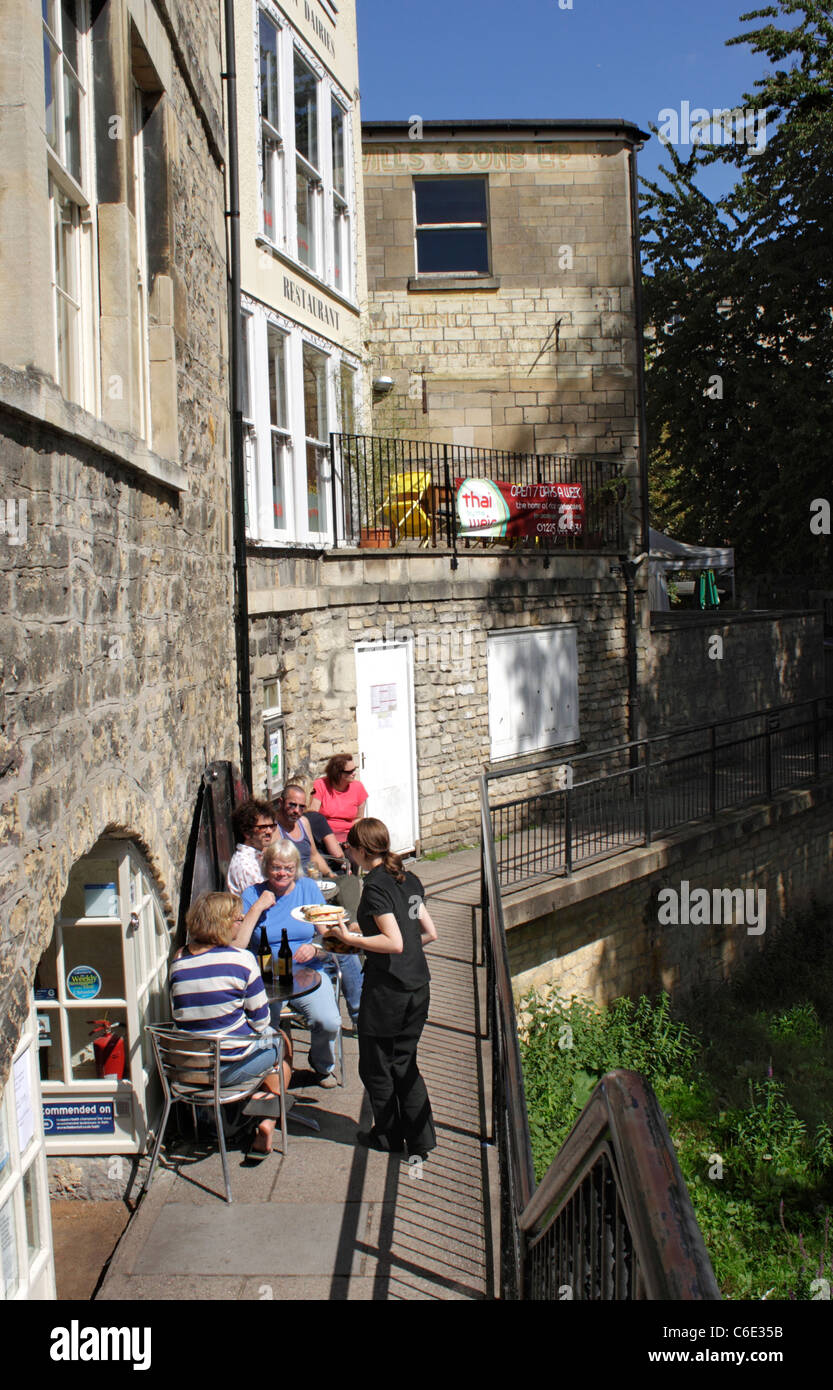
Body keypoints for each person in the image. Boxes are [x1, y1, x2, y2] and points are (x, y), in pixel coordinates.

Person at [327, 818, 437, 1160]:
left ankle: (388, 1136)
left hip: (390, 992)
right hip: (418, 985)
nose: (347, 852)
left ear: (361, 850)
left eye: (349, 847)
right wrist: (368, 929)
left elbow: (394, 941)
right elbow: (428, 932)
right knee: (404, 1062)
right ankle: (420, 1140)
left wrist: (349, 937)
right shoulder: (409, 878)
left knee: (376, 1065)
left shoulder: (374, 887)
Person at [169, 892, 292, 1157]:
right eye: (239, 919)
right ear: (223, 924)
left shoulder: (178, 963)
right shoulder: (241, 960)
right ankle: (266, 1117)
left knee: (264, 1043)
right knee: (280, 1046)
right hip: (223, 1070)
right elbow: (261, 1021)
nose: (241, 923)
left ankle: (246, 1114)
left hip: (185, 1070)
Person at [235, 840, 361, 1078]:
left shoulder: (308, 889)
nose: (282, 873)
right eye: (276, 867)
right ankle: (269, 1077)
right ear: (266, 867)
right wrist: (257, 908)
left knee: (329, 1022)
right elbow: (240, 944)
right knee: (263, 1028)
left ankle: (323, 1065)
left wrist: (315, 949)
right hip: (266, 976)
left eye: (288, 868)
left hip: (307, 972)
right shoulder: (252, 894)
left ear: (296, 868)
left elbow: (329, 938)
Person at [273, 782, 335, 878]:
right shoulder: (274, 828)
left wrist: (329, 874)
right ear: (281, 803)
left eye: (302, 807)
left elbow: (314, 855)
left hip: (310, 880)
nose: (297, 811)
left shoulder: (304, 822)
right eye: (292, 805)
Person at [310, 754, 369, 850]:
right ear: (337, 773)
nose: (353, 774)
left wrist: (349, 839)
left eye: (354, 770)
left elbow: (359, 818)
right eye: (349, 772)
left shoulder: (358, 787)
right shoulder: (321, 785)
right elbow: (313, 814)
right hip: (325, 835)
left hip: (348, 836)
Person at [227, 799, 276, 895]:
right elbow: (260, 902)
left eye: (271, 826)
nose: (269, 832)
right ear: (247, 833)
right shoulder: (245, 865)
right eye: (263, 828)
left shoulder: (258, 857)